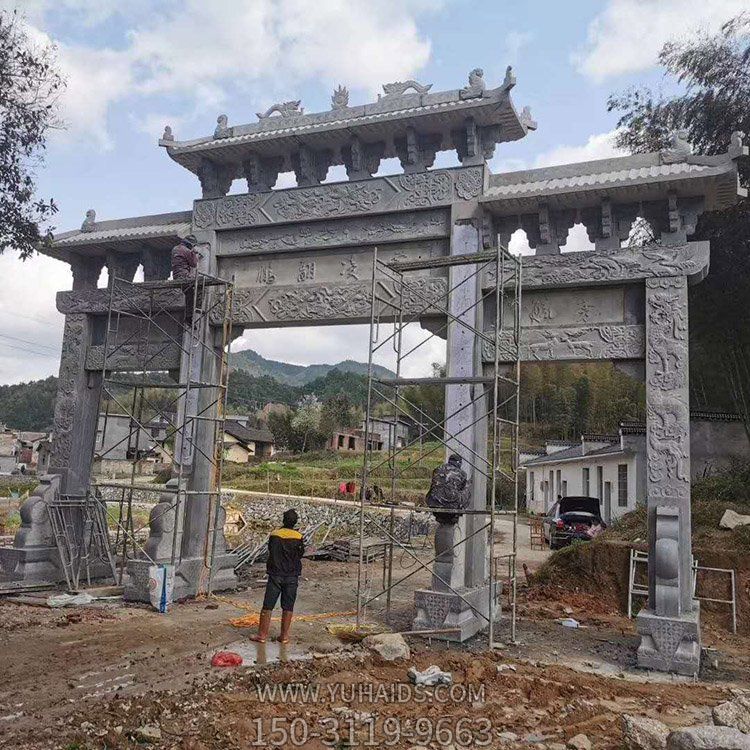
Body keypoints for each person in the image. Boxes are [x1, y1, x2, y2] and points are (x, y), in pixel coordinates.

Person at [250, 509, 305, 644]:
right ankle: (284, 636)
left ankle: (262, 635)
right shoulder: (298, 537)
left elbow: (271, 550)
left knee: (268, 605)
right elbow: (300, 554)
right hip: (292, 575)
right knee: (288, 606)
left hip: (276, 575)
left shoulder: (275, 535)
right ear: (295, 522)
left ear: (283, 520)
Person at [171, 234, 202, 322]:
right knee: (200, 283)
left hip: (176, 276)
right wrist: (194, 254)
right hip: (184, 276)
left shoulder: (175, 249)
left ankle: (188, 317)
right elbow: (194, 264)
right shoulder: (186, 251)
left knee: (189, 294)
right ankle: (198, 306)